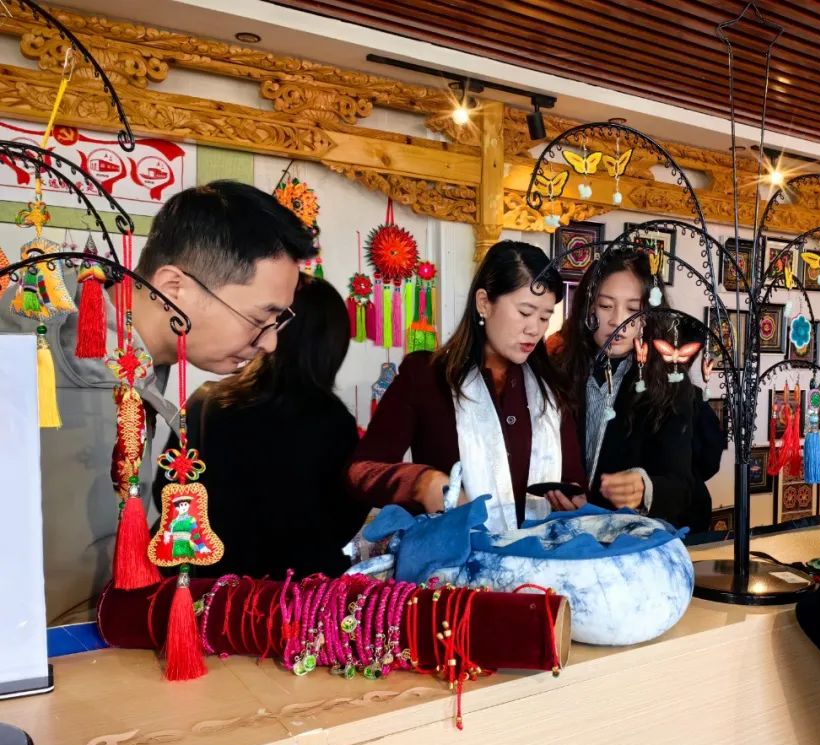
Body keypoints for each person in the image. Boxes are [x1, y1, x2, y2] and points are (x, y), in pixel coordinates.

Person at [0, 180, 315, 623]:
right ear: (174, 287)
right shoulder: (34, 362)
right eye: (262, 317)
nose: (270, 343)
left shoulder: (139, 363)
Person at [347, 240, 587, 532]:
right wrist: (421, 483)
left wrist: (573, 498)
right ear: (484, 303)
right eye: (525, 312)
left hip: (540, 556)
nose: (534, 329)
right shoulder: (426, 376)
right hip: (452, 558)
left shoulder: (550, 388)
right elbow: (361, 472)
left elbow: (574, 481)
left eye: (544, 317)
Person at [154, 275, 362, 578]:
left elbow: (168, 489)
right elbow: (347, 514)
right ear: (332, 344)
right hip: (297, 590)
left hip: (209, 586)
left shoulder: (208, 401)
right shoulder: (335, 421)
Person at [550, 247, 711, 531]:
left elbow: (682, 487)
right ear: (588, 308)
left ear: (648, 315)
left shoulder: (669, 384)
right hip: (567, 532)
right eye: (606, 306)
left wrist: (645, 488)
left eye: (632, 310)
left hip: (632, 540)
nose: (618, 321)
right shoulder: (559, 371)